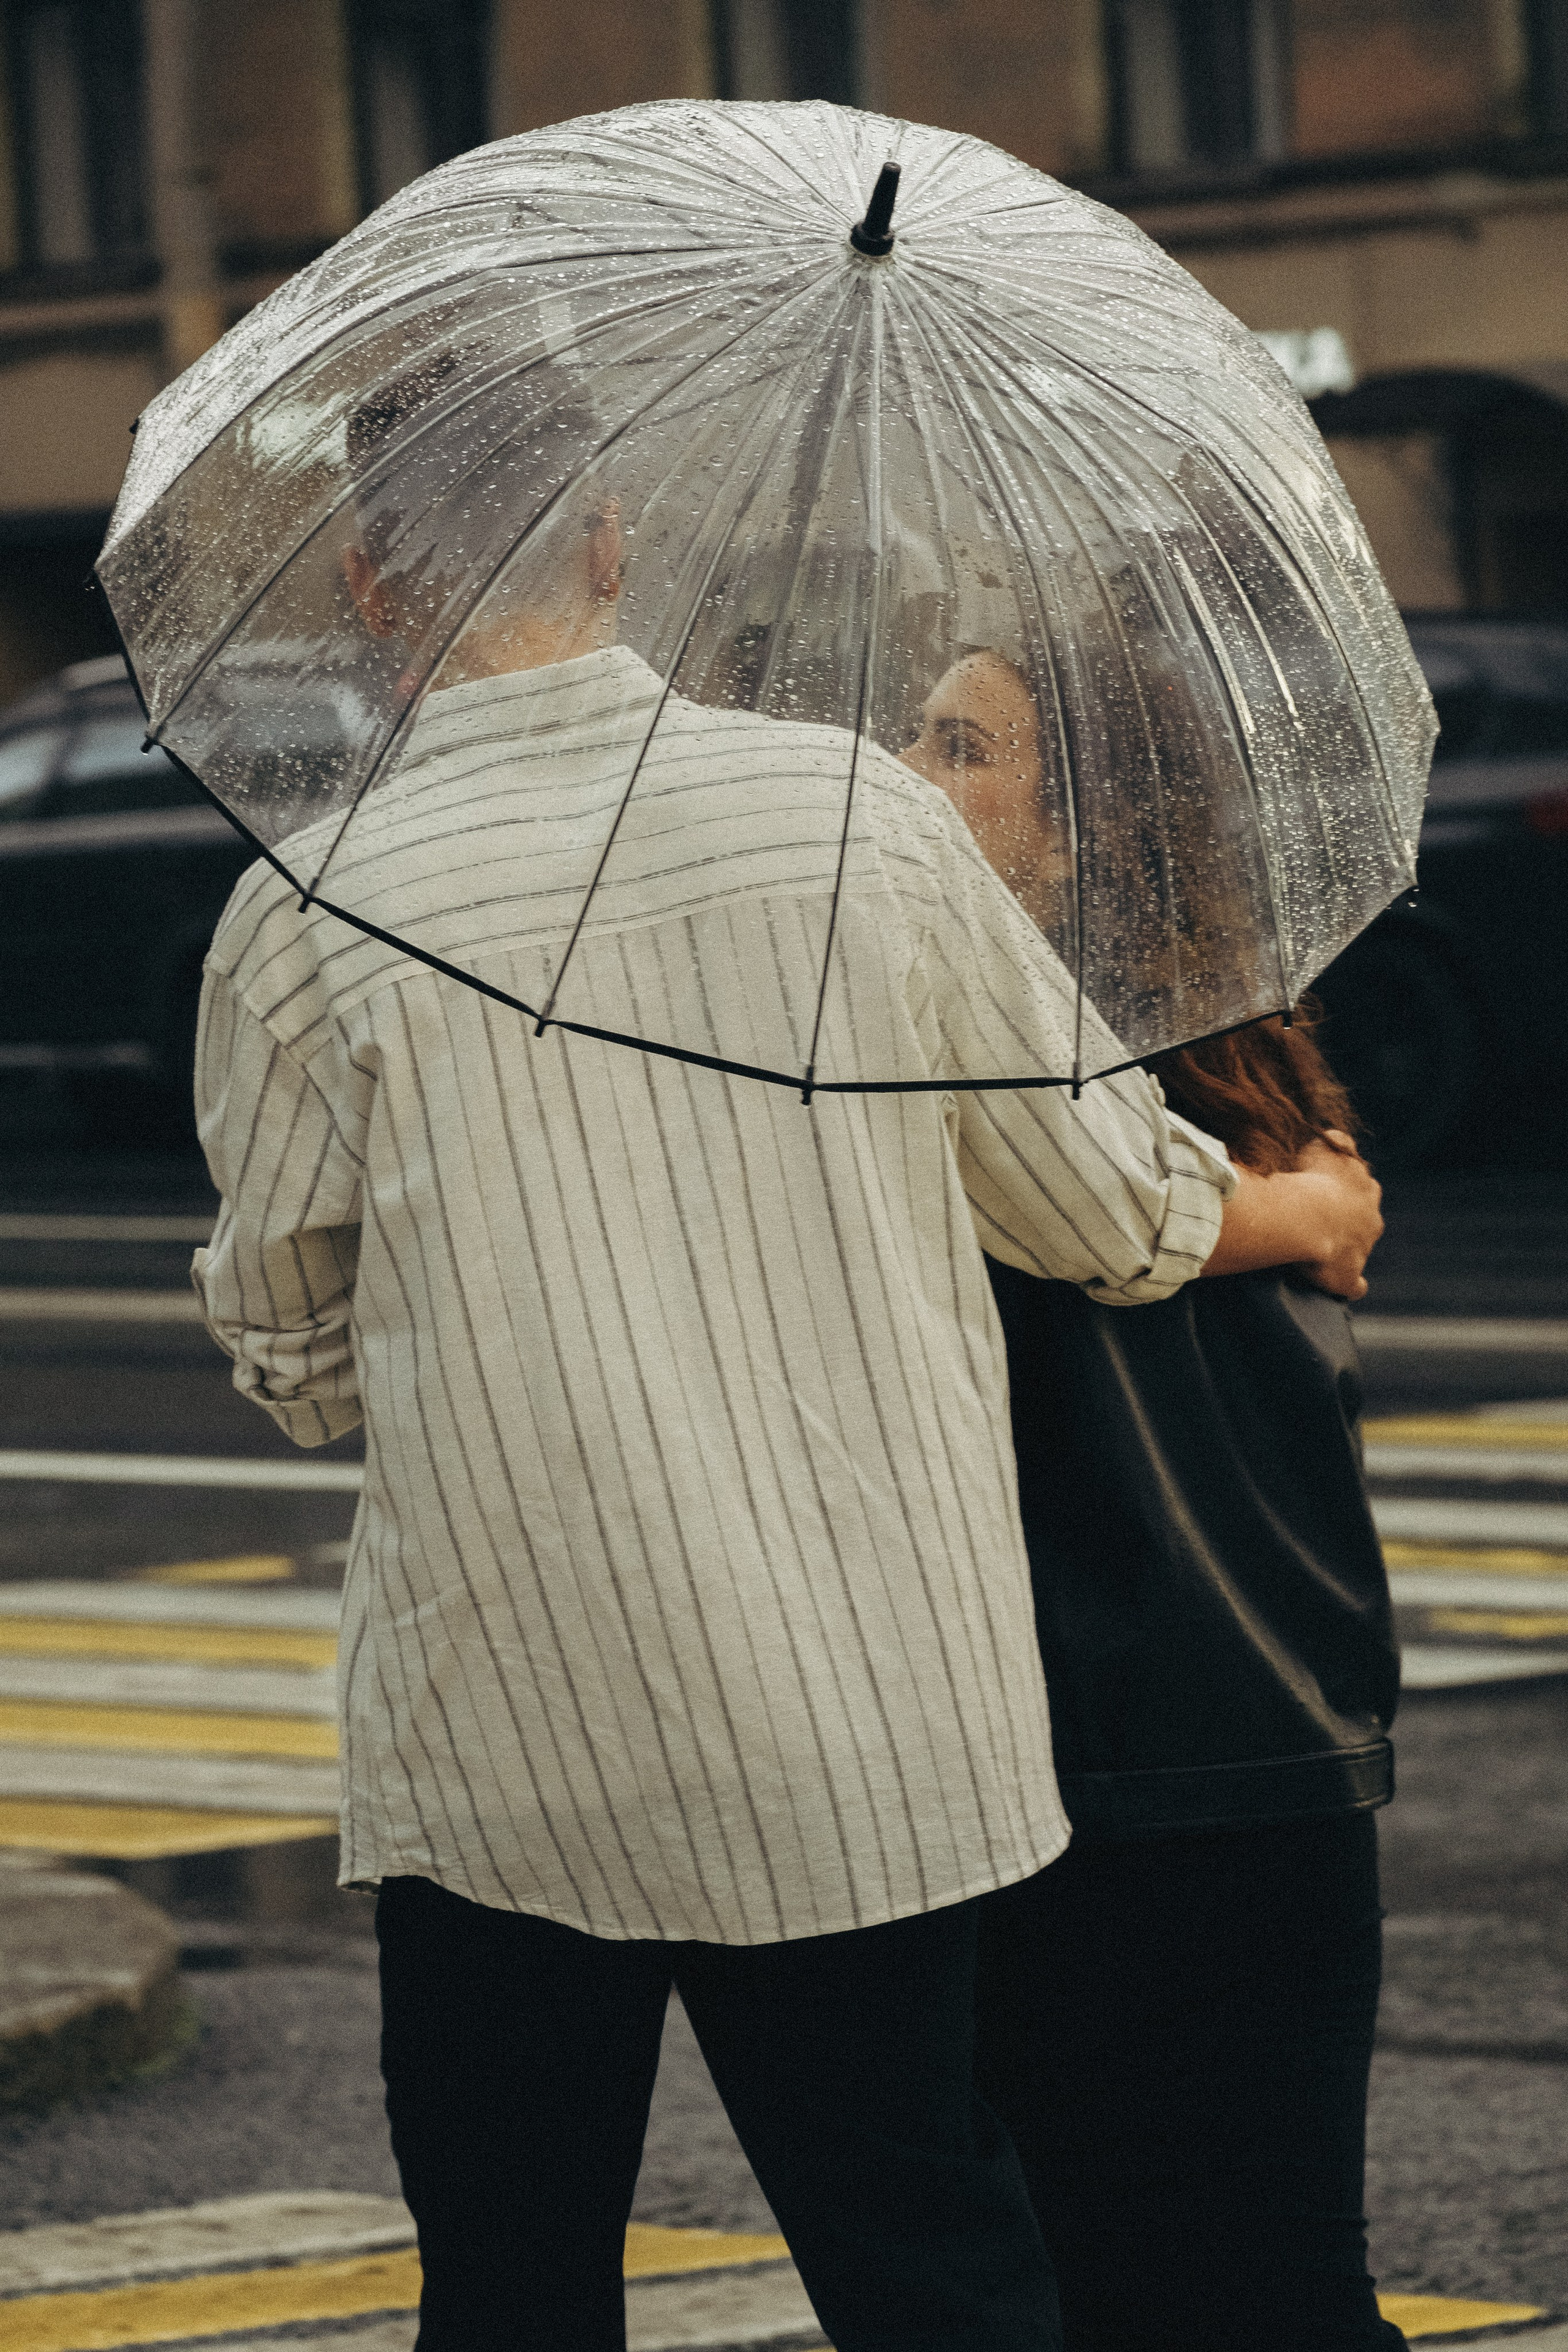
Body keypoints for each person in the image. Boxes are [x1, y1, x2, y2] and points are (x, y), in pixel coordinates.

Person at [190, 374, 1384, 2352]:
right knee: (933, 2267)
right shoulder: (860, 822)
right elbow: (1100, 1208)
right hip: (871, 1732)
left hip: (508, 1743)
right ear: (612, 544)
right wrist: (1306, 1199)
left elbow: (291, 1350)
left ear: (371, 587)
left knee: (512, 2286)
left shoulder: (301, 914)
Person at [905, 648, 1403, 2350]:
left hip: (1093, 1757)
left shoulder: (970, 1069)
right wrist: (1310, 1203)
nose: (910, 771)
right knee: (1276, 2280)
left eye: (963, 747)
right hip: (1288, 1738)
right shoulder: (1254, 1062)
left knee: (1127, 2279)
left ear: (1085, 828)